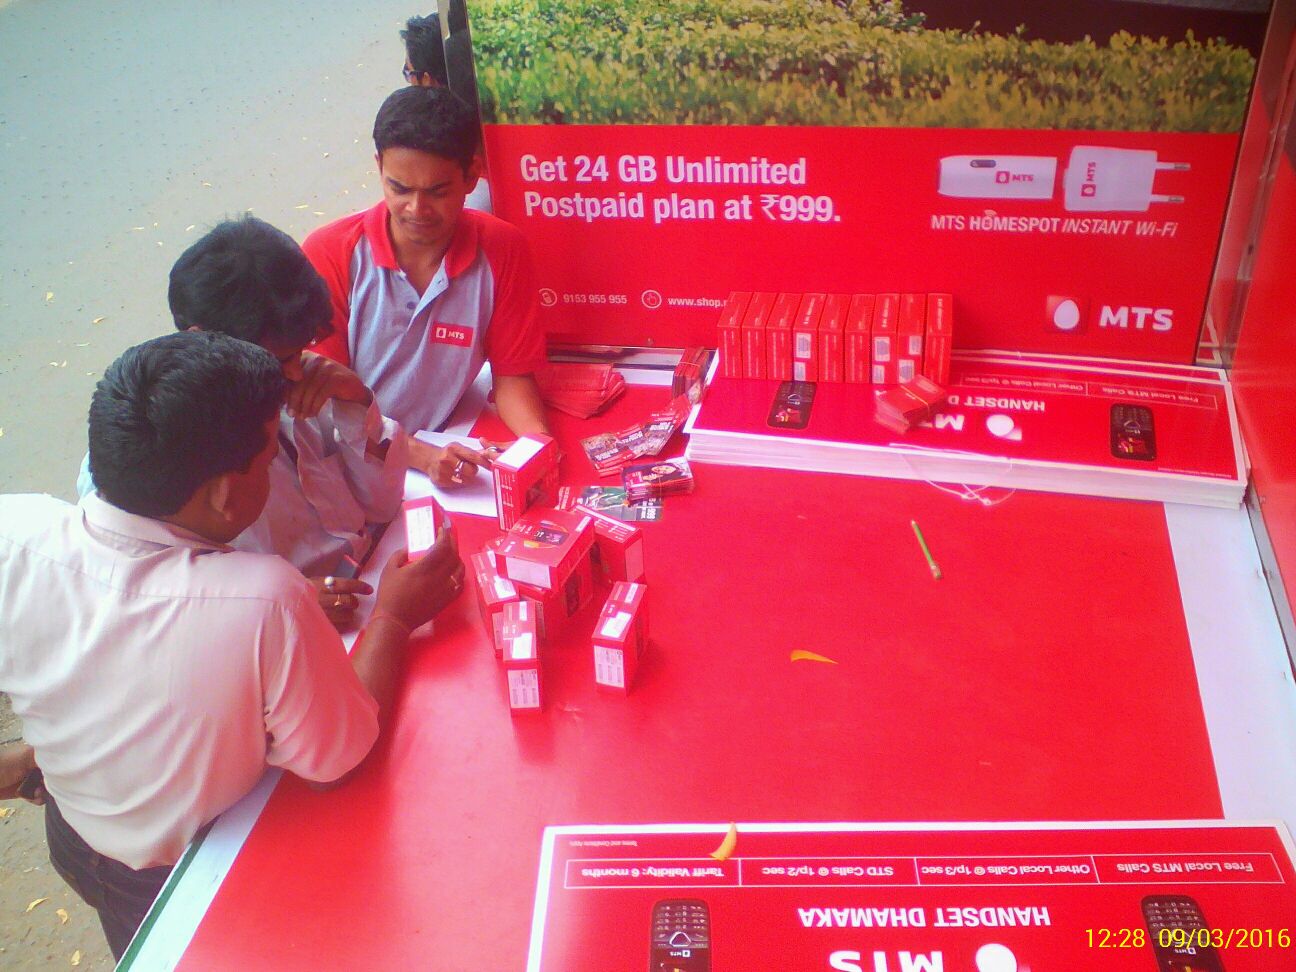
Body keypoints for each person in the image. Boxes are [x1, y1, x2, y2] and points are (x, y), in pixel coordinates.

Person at [1, 332, 463, 959]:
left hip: (73, 833)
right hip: (175, 877)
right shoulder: (264, 599)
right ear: (223, 493)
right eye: (269, 457)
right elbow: (337, 762)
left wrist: (40, 749)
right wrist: (394, 618)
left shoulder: (15, 530)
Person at [78, 216, 412, 624]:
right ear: (204, 340)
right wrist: (272, 602)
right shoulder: (140, 454)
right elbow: (145, 598)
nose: (296, 373)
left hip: (370, 573)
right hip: (271, 626)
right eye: (279, 359)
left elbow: (382, 504)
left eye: (300, 351)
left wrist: (356, 401)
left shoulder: (310, 385)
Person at [302, 86, 540, 487]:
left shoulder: (504, 250)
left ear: (472, 175)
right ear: (379, 166)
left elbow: (513, 378)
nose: (416, 210)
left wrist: (538, 447)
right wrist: (421, 456)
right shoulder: (329, 252)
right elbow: (327, 401)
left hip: (443, 449)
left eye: (437, 192)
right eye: (399, 188)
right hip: (344, 465)